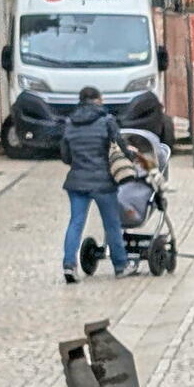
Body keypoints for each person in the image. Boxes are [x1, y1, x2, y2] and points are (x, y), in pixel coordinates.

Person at [60, 86, 142, 283]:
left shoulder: (70, 123)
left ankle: (69, 265)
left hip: (77, 182)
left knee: (75, 223)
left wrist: (80, 163)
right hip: (103, 182)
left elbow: (65, 156)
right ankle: (121, 266)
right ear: (97, 100)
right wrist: (132, 157)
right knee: (112, 224)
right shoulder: (106, 121)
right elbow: (120, 148)